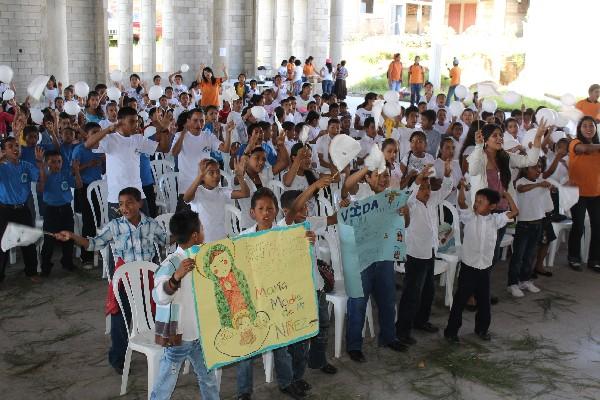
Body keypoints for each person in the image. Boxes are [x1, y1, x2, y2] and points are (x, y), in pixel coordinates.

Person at [55, 187, 167, 375]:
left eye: (130, 202)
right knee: (120, 319)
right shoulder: (114, 226)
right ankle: (118, 358)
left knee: (158, 316)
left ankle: (162, 352)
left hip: (148, 278)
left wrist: (185, 236)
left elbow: (165, 240)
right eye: (121, 204)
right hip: (124, 279)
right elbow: (94, 243)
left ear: (140, 203)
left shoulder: (150, 224)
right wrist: (73, 237)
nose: (125, 207)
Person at [236, 187, 315, 400]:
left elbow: (295, 259)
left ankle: (286, 382)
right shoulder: (243, 238)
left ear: (276, 211)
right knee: (248, 348)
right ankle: (244, 391)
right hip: (253, 300)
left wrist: (305, 242)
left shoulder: (284, 234)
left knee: (281, 343)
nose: (266, 213)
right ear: (252, 212)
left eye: (270, 208)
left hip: (278, 299)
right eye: (260, 209)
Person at [150, 210, 220, 400]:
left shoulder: (203, 257)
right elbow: (158, 296)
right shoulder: (171, 264)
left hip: (199, 334)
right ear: (195, 235)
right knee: (166, 383)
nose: (205, 232)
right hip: (179, 337)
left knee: (208, 378)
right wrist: (176, 277)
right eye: (202, 228)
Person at [341, 166, 407, 363]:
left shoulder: (392, 196)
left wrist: (405, 211)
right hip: (360, 259)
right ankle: (354, 346)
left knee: (388, 301)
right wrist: (366, 167)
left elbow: (406, 223)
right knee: (358, 304)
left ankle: (389, 337)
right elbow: (346, 186)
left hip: (384, 256)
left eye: (386, 175)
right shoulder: (361, 193)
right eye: (378, 175)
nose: (383, 179)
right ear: (367, 178)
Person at [444, 186, 518, 343]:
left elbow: (514, 212)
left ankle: (482, 329)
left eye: (481, 202)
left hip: (484, 268)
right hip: (468, 267)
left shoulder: (495, 220)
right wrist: (462, 189)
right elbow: (462, 202)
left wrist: (507, 195)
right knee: (460, 301)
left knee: (484, 302)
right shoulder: (470, 217)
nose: (476, 204)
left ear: (492, 206)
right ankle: (451, 331)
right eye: (476, 201)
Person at [396, 163, 453, 346]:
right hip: (415, 255)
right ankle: (402, 330)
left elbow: (445, 188)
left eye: (428, 187)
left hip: (430, 252)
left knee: (428, 291)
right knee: (411, 293)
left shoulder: (432, 201)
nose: (426, 191)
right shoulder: (411, 204)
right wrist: (416, 182)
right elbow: (408, 196)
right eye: (422, 187)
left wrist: (448, 175)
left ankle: (421, 321)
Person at [0, 137, 43, 282]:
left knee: (28, 241)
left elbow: (39, 181)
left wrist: (39, 162)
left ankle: (31, 272)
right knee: (2, 244)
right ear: (4, 151)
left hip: (23, 209)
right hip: (5, 210)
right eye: (10, 146)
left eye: (17, 145)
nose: (15, 148)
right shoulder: (2, 167)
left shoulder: (26, 165)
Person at [171, 109, 232, 209]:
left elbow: (225, 149)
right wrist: (183, 133)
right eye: (195, 120)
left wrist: (229, 133)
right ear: (188, 121)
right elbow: (174, 153)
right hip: (187, 187)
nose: (199, 124)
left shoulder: (208, 136)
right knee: (184, 220)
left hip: (206, 186)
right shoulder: (179, 135)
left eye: (202, 121)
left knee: (206, 219)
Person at [508, 161, 553, 297]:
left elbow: (547, 205)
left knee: (530, 255)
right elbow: (521, 189)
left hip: (538, 223)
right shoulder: (520, 182)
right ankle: (512, 284)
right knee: (518, 255)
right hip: (524, 224)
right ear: (526, 169)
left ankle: (525, 280)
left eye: (539, 167)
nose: (538, 170)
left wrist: (549, 188)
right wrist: (539, 184)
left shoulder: (541, 182)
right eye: (534, 168)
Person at [182, 157, 250, 242]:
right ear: (202, 176)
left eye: (218, 172)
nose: (216, 175)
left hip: (220, 238)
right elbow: (186, 198)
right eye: (211, 173)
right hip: (201, 241)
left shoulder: (222, 192)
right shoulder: (197, 191)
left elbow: (245, 193)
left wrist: (240, 177)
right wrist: (199, 177)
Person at [38, 149, 82, 276]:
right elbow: (40, 189)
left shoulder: (66, 174)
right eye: (53, 162)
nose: (57, 164)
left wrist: (77, 171)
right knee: (49, 240)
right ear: (46, 163)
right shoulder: (45, 175)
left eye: (59, 161)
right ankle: (46, 266)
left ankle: (67, 262)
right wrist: (42, 170)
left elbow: (78, 185)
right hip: (51, 211)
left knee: (69, 237)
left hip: (66, 209)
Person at [567, 116, 600, 272]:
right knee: (578, 226)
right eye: (585, 126)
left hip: (596, 193)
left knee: (598, 227)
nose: (588, 128)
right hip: (577, 193)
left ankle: (594, 260)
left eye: (591, 126)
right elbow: (584, 149)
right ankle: (574, 258)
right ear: (579, 129)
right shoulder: (575, 143)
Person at [72, 122, 105, 268]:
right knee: (89, 222)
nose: (98, 135)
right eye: (94, 133)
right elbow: (72, 171)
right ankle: (86, 256)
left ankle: (103, 252)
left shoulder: (101, 149)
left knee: (101, 219)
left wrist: (104, 161)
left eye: (100, 132)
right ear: (86, 135)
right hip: (84, 188)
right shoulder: (79, 150)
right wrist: (87, 165)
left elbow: (103, 170)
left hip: (100, 187)